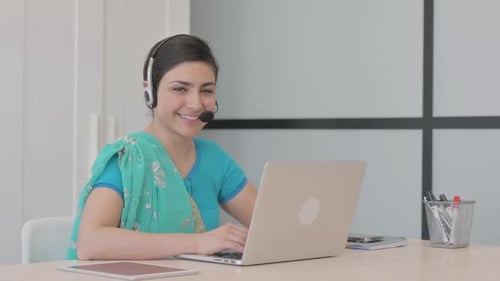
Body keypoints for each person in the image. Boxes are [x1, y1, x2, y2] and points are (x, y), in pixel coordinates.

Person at [67, 34, 257, 260]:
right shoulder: (128, 159)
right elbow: (90, 243)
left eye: (206, 90)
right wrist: (198, 243)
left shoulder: (215, 159)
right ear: (150, 91)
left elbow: (274, 227)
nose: (196, 104)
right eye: (180, 89)